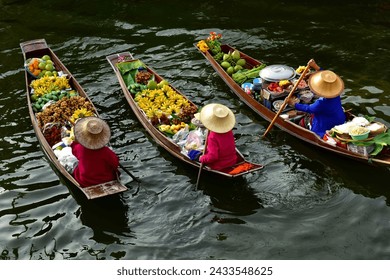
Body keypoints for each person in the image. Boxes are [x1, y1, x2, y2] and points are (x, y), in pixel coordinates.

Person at [288, 64, 346, 138]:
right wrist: (315, 66)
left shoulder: (321, 103)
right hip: (340, 119)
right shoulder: (335, 94)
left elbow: (309, 109)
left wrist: (294, 104)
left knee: (302, 122)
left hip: (325, 125)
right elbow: (326, 76)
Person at [71, 116, 119, 187]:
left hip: (85, 181)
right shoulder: (106, 151)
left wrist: (75, 141)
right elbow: (115, 163)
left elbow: (74, 150)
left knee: (76, 165)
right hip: (107, 179)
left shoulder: (79, 148)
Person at [198, 103, 237, 171]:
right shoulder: (228, 130)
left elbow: (213, 157)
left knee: (192, 154)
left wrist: (202, 158)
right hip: (233, 160)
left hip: (219, 165)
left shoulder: (213, 136)